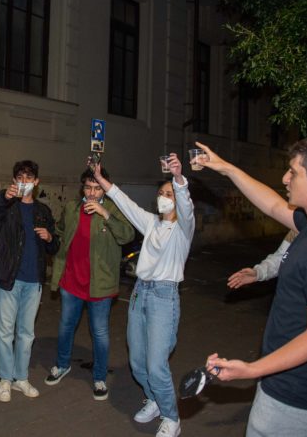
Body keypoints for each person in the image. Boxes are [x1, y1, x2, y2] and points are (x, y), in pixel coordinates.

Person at [199, 135, 307, 437]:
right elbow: (273, 205)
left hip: (297, 399)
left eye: (293, 172)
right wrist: (225, 168)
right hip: (296, 390)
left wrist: (251, 369)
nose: (285, 179)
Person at [91, 154, 193, 437]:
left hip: (164, 297)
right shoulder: (150, 223)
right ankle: (154, 400)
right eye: (161, 193)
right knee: (137, 361)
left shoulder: (183, 229)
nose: (163, 197)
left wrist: (178, 179)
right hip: (139, 294)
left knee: (156, 364)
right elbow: (124, 202)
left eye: (169, 194)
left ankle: (172, 417)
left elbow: (186, 206)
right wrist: (100, 179)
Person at [45, 167, 134, 401]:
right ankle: (62, 364)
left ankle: (99, 377)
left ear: (104, 188)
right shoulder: (72, 208)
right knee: (66, 326)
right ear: (82, 188)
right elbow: (61, 230)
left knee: (100, 332)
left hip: (100, 284)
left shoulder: (114, 208)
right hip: (71, 281)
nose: (92, 193)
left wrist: (105, 213)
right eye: (88, 187)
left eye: (97, 188)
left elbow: (127, 235)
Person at [0, 160, 60, 403]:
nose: (24, 182)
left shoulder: (43, 211)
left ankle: (21, 377)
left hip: (33, 280)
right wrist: (4, 196)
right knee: (5, 332)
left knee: (26, 333)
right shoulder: (7, 206)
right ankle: (5, 379)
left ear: (36, 182)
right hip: (9, 278)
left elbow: (54, 246)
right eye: (20, 178)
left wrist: (49, 238)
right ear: (14, 181)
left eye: (29, 178)